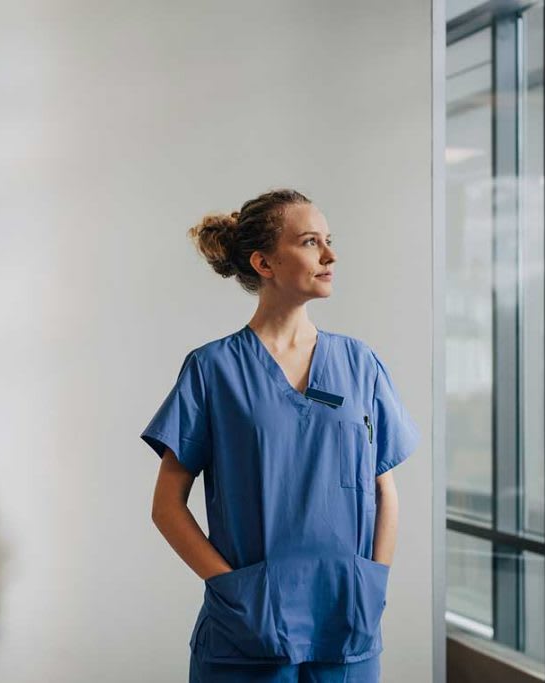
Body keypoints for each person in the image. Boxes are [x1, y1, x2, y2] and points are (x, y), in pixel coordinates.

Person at [139, 188, 421, 682]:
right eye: (311, 241)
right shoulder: (213, 369)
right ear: (264, 262)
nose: (330, 255)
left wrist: (373, 583)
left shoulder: (360, 364)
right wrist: (235, 592)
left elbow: (384, 488)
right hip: (246, 636)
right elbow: (167, 505)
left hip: (347, 626)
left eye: (329, 240)